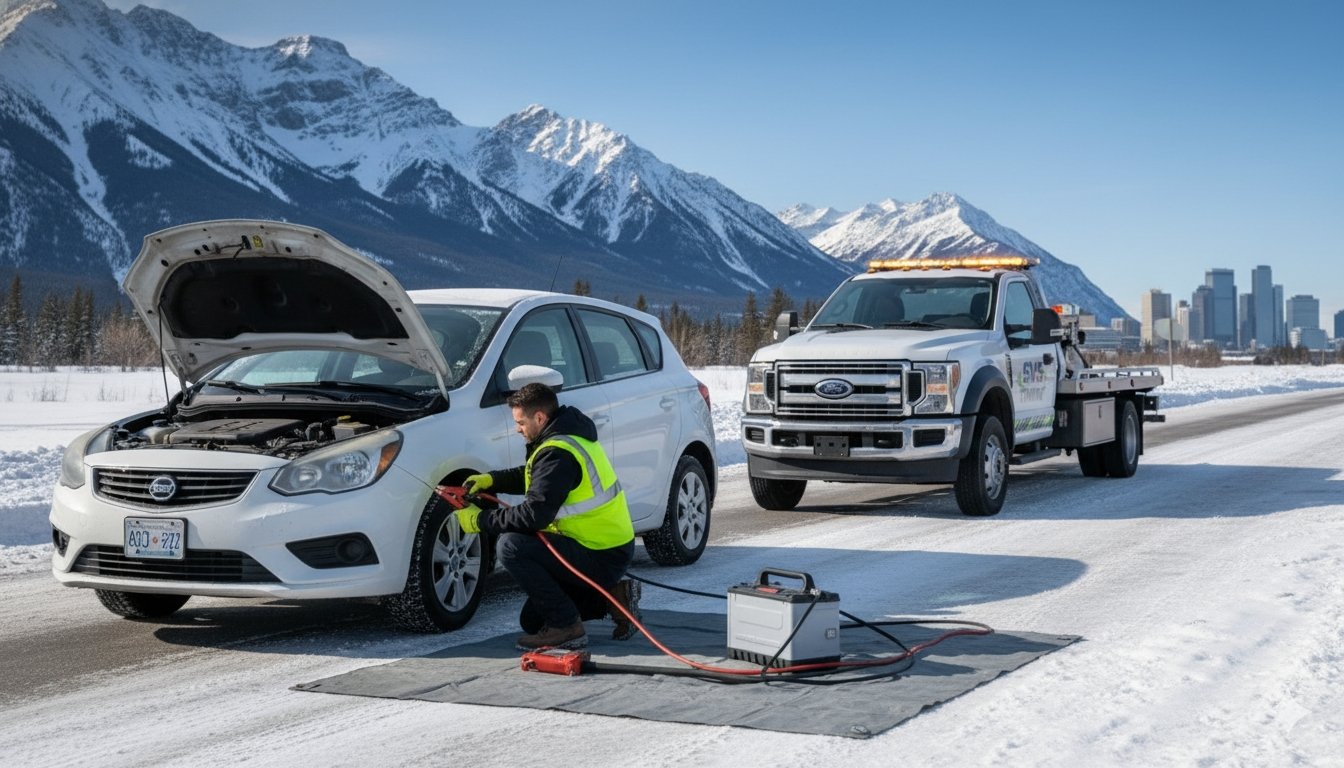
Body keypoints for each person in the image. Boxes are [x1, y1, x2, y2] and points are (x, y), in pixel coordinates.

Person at [454, 382, 640, 650]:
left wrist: (480, 521)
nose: (518, 429)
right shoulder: (564, 437)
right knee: (533, 620)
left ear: (539, 417)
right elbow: (539, 478)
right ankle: (614, 597)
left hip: (600, 554)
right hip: (599, 546)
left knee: (512, 546)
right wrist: (492, 480)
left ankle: (568, 629)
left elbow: (534, 516)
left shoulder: (558, 453)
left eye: (521, 422)